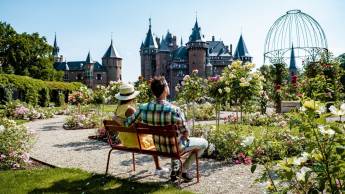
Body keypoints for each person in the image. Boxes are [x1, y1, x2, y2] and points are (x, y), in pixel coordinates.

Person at [121, 76, 208, 182]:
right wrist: (185, 135)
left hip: (158, 148)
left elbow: (127, 123)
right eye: (167, 84)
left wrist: (115, 118)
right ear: (165, 89)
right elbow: (185, 132)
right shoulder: (174, 110)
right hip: (174, 148)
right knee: (203, 143)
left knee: (173, 139)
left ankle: (175, 170)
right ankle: (183, 170)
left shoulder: (143, 108)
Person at [114, 83, 168, 175]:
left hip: (124, 139)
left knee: (151, 136)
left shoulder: (118, 109)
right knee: (154, 139)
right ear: (132, 97)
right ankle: (158, 167)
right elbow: (141, 124)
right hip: (135, 141)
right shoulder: (130, 109)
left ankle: (159, 166)